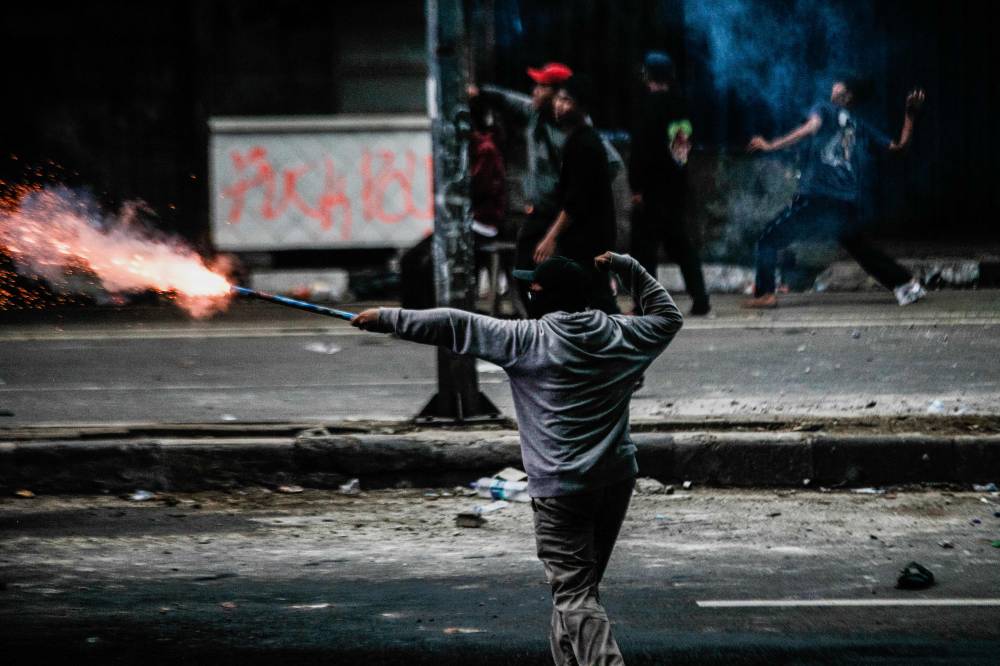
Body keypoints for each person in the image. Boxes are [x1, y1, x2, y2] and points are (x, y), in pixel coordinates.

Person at [351, 251, 684, 666]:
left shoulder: (526, 340)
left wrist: (386, 317)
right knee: (580, 590)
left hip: (562, 490)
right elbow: (668, 315)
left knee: (574, 594)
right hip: (615, 480)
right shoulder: (621, 334)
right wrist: (629, 267)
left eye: (534, 289)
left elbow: (456, 324)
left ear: (544, 297)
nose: (528, 293)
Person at [744, 77, 927, 308]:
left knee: (768, 240)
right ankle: (907, 284)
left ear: (847, 95)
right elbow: (899, 148)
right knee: (860, 249)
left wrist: (771, 145)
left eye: (838, 85)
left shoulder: (825, 109)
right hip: (845, 201)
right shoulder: (858, 124)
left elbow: (809, 128)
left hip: (819, 197)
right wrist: (909, 116)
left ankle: (765, 294)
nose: (833, 87)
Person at [470, 63, 624, 312]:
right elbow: (508, 100)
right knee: (527, 269)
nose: (535, 92)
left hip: (566, 212)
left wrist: (584, 188)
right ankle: (548, 322)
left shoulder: (577, 132)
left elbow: (611, 163)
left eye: (543, 87)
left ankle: (593, 326)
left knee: (589, 281)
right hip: (543, 209)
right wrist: (481, 93)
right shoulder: (534, 115)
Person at [629, 50, 710, 316]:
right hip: (674, 187)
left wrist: (637, 186)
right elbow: (681, 148)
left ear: (648, 76)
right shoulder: (680, 105)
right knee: (681, 244)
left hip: (651, 189)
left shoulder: (647, 107)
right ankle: (700, 298)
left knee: (643, 249)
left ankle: (645, 303)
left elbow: (641, 150)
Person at [533, 74, 619, 314]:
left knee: (597, 295)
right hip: (587, 235)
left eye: (567, 101)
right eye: (559, 100)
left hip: (589, 237)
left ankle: (623, 342)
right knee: (587, 295)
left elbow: (576, 200)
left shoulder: (584, 143)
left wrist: (551, 236)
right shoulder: (577, 140)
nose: (559, 106)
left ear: (580, 107)